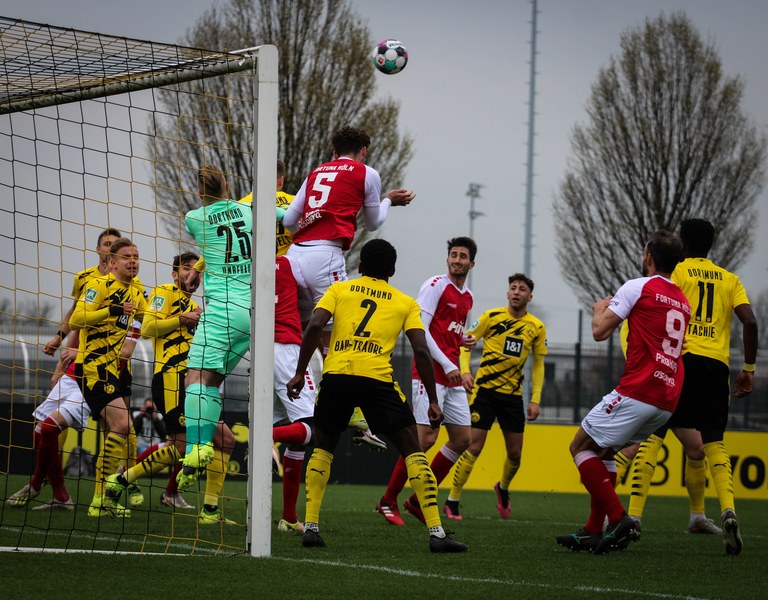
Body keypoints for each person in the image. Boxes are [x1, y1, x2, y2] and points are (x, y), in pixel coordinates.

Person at [286, 239, 467, 553]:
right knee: (412, 449)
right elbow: (421, 351)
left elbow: (315, 325)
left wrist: (300, 372)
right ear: (392, 271)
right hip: (377, 381)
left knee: (323, 447)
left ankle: (311, 527)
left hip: (337, 376)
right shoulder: (404, 302)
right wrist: (433, 400)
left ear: (360, 266)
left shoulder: (339, 290)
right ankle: (437, 533)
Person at [624, 219, 757, 555]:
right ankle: (727, 510)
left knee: (654, 434)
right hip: (716, 367)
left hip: (679, 362)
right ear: (712, 244)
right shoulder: (730, 279)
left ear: (682, 244)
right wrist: (748, 370)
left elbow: (653, 309)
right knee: (712, 443)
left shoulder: (677, 272)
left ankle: (634, 516)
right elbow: (750, 321)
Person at [556, 230, 690, 555]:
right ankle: (593, 530)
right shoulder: (683, 301)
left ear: (648, 256)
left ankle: (618, 519)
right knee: (605, 453)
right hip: (667, 398)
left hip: (639, 389)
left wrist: (598, 309)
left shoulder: (637, 287)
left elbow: (600, 332)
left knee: (580, 447)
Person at [283, 127, 414, 451]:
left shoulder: (316, 172)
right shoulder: (367, 173)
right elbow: (373, 222)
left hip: (294, 256)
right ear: (364, 150)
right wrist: (388, 200)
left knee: (300, 329)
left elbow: (288, 221)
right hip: (326, 254)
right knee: (337, 328)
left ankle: (294, 394)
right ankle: (351, 410)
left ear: (334, 149)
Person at [376, 237, 476, 526]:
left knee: (462, 439)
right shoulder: (435, 286)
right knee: (423, 439)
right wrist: (448, 364)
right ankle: (388, 499)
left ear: (471, 264)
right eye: (453, 255)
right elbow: (421, 329)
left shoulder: (468, 296)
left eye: (463, 256)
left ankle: (417, 502)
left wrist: (462, 339)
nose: (457, 260)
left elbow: (447, 331)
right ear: (447, 259)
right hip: (430, 374)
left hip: (452, 376)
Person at [105, 252, 205, 513]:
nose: (192, 274)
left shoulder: (195, 306)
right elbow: (148, 328)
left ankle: (164, 491)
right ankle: (122, 480)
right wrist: (183, 319)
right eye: (186, 268)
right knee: (183, 446)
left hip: (189, 380)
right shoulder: (165, 291)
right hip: (170, 377)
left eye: (196, 270)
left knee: (184, 445)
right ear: (174, 274)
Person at [175, 165, 247, 515]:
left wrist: (197, 269)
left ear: (199, 191)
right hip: (252, 313)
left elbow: (216, 238)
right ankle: (209, 494)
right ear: (228, 184)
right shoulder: (250, 212)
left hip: (220, 311)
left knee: (195, 380)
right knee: (213, 382)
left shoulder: (194, 218)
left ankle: (197, 447)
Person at [446, 273, 548, 519]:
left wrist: (535, 399)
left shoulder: (536, 327)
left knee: (515, 454)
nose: (516, 292)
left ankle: (502, 487)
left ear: (529, 297)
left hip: (513, 397)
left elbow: (538, 364)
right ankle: (453, 499)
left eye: (522, 289)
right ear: (507, 293)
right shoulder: (490, 317)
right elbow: (465, 344)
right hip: (485, 393)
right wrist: (464, 371)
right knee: (473, 446)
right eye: (513, 288)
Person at [69, 237, 148, 518]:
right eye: (127, 257)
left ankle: (100, 500)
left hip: (114, 370)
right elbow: (76, 320)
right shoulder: (98, 285)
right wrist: (111, 310)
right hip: (92, 366)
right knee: (123, 425)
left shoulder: (136, 293)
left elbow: (144, 321)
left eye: (136, 257)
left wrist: (132, 341)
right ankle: (105, 495)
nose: (133, 261)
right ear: (112, 263)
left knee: (116, 431)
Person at [5, 342, 84, 510]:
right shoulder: (81, 323)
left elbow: (124, 353)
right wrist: (58, 369)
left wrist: (82, 352)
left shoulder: (127, 324)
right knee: (39, 432)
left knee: (49, 428)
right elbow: (71, 340)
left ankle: (35, 484)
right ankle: (61, 497)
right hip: (69, 378)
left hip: (93, 382)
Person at [271, 253, 316, 533]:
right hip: (286, 348)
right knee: (312, 427)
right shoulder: (291, 262)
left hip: (257, 347)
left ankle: (288, 517)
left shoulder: (243, 262)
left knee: (293, 436)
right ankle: (266, 438)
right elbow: (315, 297)